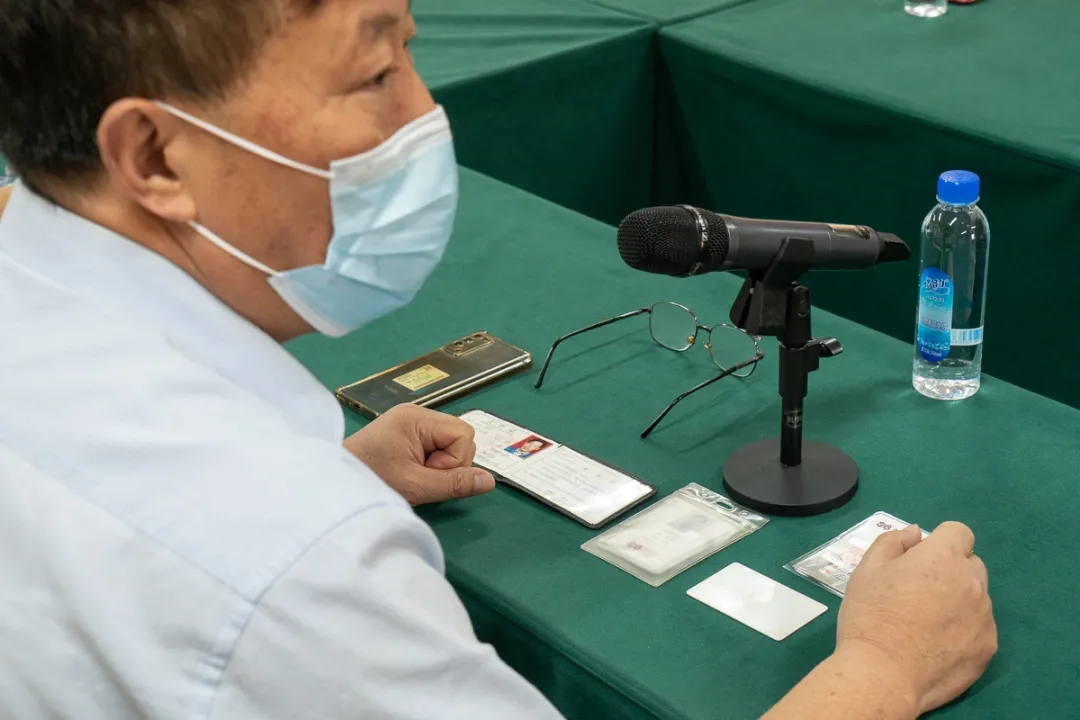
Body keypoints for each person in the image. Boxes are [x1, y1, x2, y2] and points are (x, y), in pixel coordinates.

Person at [0, 1, 996, 719]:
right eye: (374, 75)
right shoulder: (299, 564)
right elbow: (237, 563)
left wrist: (330, 474)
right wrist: (882, 668)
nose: (423, 114)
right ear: (157, 156)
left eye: (411, 50)